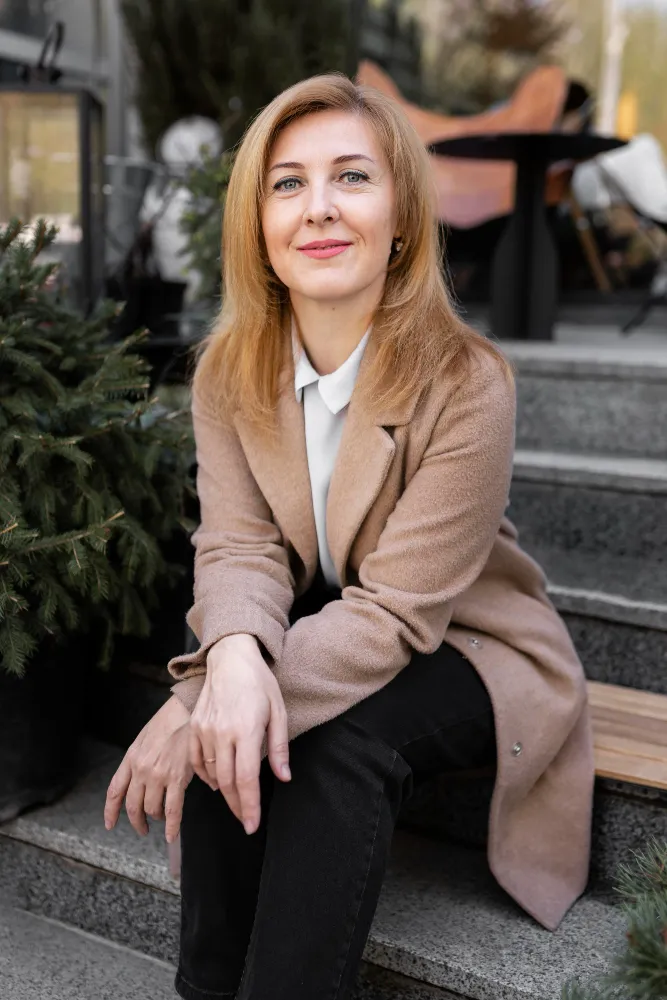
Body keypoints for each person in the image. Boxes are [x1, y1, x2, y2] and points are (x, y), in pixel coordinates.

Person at [104, 73, 594, 1000]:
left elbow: (398, 615)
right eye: (286, 184)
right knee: (235, 702)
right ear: (257, 223)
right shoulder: (228, 369)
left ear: (402, 212)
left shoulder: (467, 380)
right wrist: (228, 664)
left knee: (314, 738)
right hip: (332, 615)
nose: (317, 209)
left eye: (351, 178)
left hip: (464, 639)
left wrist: (197, 698)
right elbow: (238, 547)